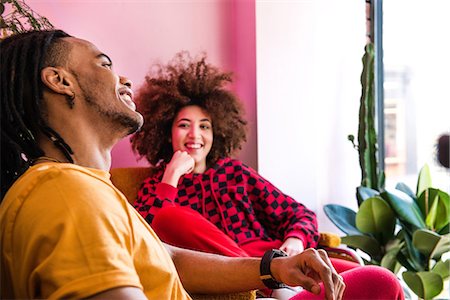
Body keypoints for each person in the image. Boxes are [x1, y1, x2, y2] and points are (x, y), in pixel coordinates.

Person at [0, 29, 350, 299]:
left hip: (271, 268)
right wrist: (170, 178)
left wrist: (276, 265)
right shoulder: (68, 194)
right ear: (60, 81)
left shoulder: (92, 189)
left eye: (204, 126)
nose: (124, 79)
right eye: (105, 63)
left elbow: (168, 258)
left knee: (374, 282)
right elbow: (160, 228)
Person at [131, 52, 405, 299]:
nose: (195, 135)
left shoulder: (235, 174)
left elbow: (299, 214)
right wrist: (172, 177)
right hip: (230, 272)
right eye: (184, 125)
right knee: (171, 216)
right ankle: (273, 284)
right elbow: (143, 239)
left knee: (384, 281)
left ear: (217, 133)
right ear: (167, 131)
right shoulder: (158, 184)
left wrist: (294, 241)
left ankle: (283, 285)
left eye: (205, 126)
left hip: (281, 263)